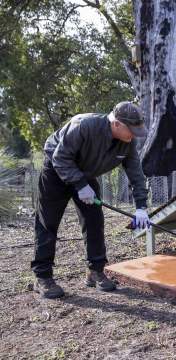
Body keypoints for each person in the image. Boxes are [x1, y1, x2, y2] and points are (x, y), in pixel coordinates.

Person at [31, 101, 150, 299]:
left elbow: (136, 173)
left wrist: (141, 207)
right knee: (47, 222)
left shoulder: (128, 142)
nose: (134, 135)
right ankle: (42, 276)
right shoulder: (83, 125)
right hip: (56, 170)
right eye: (131, 130)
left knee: (95, 221)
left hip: (85, 175)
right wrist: (79, 185)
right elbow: (60, 158)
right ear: (117, 124)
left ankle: (95, 271)